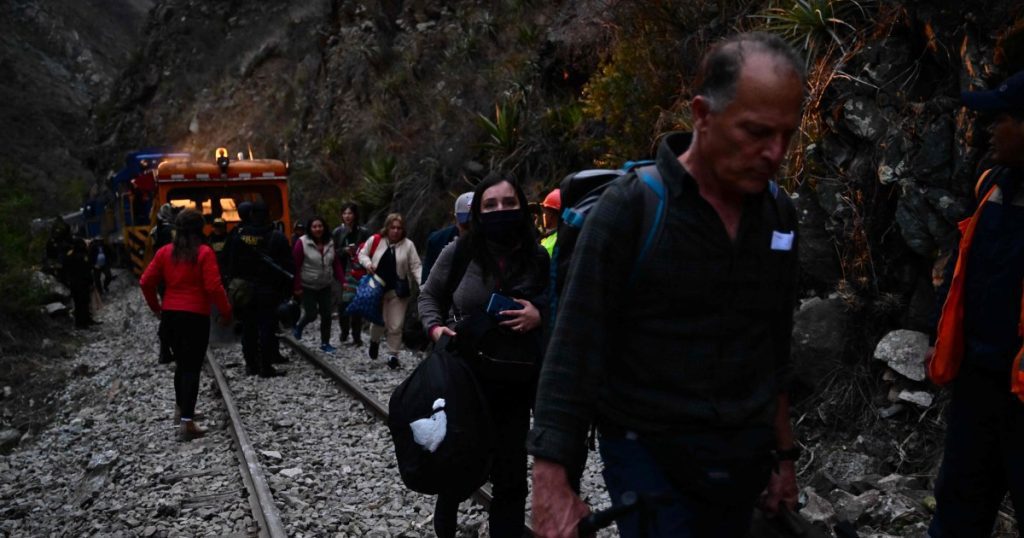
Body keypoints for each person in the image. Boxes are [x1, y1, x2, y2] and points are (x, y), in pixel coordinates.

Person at [527, 32, 805, 538]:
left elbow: (773, 347)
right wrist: (550, 482)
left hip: (741, 451)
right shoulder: (631, 209)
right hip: (648, 453)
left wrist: (784, 458)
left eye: (787, 135)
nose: (775, 152)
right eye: (757, 132)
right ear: (702, 115)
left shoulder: (779, 217)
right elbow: (573, 351)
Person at [418, 173, 549, 538]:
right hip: (464, 377)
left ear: (522, 207)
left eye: (509, 203)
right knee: (458, 464)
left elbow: (560, 302)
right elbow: (428, 295)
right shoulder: (459, 251)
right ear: (477, 212)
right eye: (490, 205)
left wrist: (539, 314)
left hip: (516, 380)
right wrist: (434, 328)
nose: (500, 210)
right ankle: (446, 525)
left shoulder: (537, 257)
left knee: (510, 474)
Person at [926, 69, 1024, 537]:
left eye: (999, 118)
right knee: (957, 515)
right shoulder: (991, 186)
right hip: (979, 391)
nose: (987, 128)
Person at [139, 209, 233, 441]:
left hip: (170, 315)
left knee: (181, 365)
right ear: (201, 229)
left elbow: (146, 282)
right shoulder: (203, 253)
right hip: (195, 317)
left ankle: (181, 410)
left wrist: (157, 308)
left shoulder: (164, 252)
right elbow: (213, 287)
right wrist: (226, 312)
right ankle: (187, 423)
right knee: (192, 368)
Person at [222, 200, 293, 377]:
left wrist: (230, 287)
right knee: (267, 328)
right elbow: (288, 266)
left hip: (245, 290)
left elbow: (227, 263)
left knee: (248, 328)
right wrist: (286, 292)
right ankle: (266, 366)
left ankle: (251, 365)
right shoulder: (276, 236)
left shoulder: (238, 235)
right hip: (269, 290)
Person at [358, 212, 422, 369]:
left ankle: (393, 355)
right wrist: (367, 264)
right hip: (376, 289)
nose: (396, 231)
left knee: (396, 325)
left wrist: (423, 285)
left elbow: (416, 266)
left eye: (399, 228)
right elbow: (362, 254)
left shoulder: (408, 245)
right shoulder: (376, 240)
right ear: (387, 228)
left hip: (398, 290)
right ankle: (374, 341)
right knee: (378, 322)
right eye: (392, 227)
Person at [291, 216, 345, 353]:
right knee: (311, 314)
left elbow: (336, 263)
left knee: (327, 315)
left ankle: (325, 343)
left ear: (324, 227)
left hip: (325, 284)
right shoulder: (302, 243)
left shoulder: (330, 242)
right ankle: (299, 326)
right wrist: (296, 286)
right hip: (307, 284)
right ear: (310, 228)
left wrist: (342, 280)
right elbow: (295, 266)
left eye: (320, 226)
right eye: (314, 227)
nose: (317, 229)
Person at [332, 203, 372, 346]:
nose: (347, 216)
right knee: (343, 304)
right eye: (345, 213)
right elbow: (332, 253)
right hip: (342, 272)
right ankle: (344, 330)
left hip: (359, 271)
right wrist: (344, 251)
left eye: (350, 213)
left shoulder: (363, 232)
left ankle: (356, 335)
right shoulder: (337, 232)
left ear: (355, 215)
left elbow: (370, 249)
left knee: (357, 304)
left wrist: (358, 251)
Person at [421, 191, 473, 283]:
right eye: (465, 226)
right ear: (456, 219)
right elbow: (426, 282)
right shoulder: (437, 241)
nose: (470, 231)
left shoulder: (493, 241)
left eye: (475, 224)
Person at [63, 236, 99, 329]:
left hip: (73, 283)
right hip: (82, 283)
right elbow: (87, 270)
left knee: (78, 303)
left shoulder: (69, 254)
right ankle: (83, 323)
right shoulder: (83, 256)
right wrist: (91, 282)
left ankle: (82, 322)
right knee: (84, 303)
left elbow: (65, 267)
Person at [539, 188, 560, 257]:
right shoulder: (565, 234)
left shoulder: (547, 246)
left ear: (550, 215)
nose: (543, 215)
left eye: (544, 212)